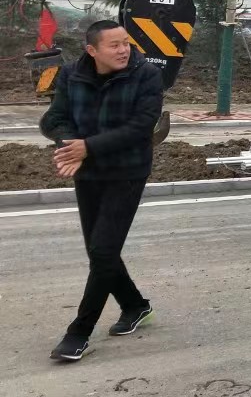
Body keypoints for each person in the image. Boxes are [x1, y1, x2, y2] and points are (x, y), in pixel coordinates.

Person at [40, 20, 164, 362]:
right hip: (89, 172)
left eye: (126, 43)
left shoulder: (147, 75)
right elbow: (53, 119)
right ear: (92, 50)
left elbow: (141, 126)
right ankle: (135, 306)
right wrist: (70, 146)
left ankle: (78, 332)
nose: (124, 50)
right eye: (114, 45)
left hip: (128, 171)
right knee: (100, 253)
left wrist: (87, 147)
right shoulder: (70, 75)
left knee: (103, 251)